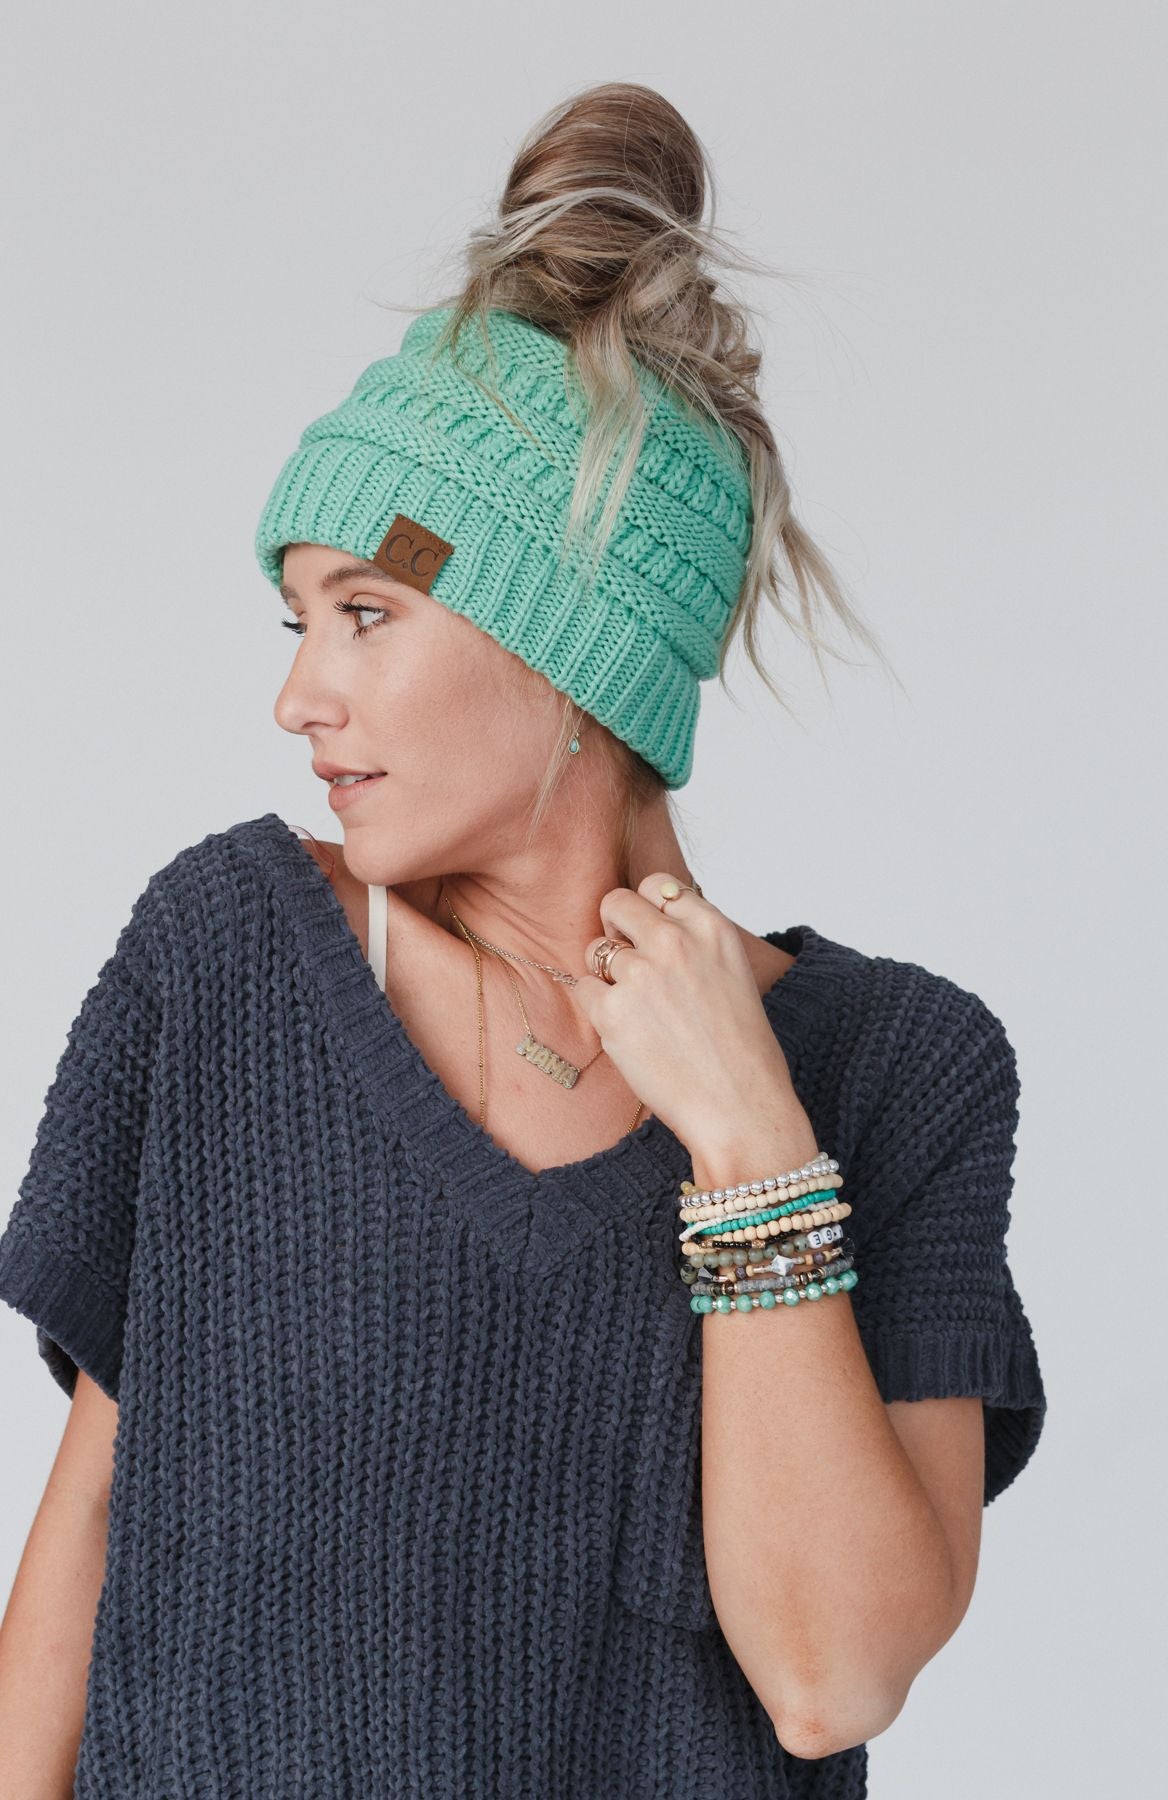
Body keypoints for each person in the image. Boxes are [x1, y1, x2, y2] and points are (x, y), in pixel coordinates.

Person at [0, 80, 1046, 1800]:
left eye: (368, 614)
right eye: (297, 620)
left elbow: (830, 1680)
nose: (298, 695)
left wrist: (751, 1142)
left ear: (566, 648)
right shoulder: (224, 962)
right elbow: (94, 1520)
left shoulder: (900, 1070)